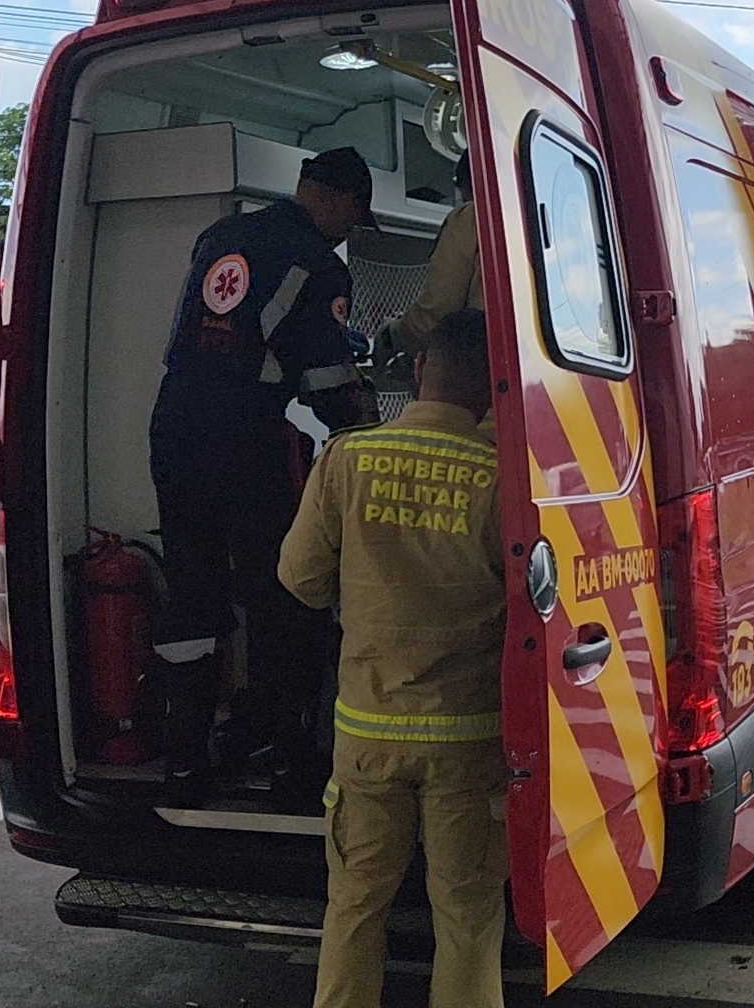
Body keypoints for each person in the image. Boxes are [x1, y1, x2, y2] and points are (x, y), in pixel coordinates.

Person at [279, 310, 507, 1008]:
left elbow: (301, 580)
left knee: (354, 908)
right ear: (496, 392)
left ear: (417, 374)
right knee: (468, 919)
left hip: (368, 735)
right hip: (468, 742)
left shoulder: (347, 460)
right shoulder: (504, 480)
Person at [149, 147, 379, 800]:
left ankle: (185, 765)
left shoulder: (222, 234)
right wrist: (369, 433)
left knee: (191, 592)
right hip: (245, 438)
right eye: (354, 218)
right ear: (337, 200)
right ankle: (291, 763)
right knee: (285, 595)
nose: (347, 232)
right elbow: (327, 385)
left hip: (173, 423)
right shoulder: (320, 265)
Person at [371, 151, 481, 367]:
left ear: (466, 183)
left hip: (481, 376)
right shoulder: (540, 222)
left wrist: (392, 334)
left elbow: (437, 314)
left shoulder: (470, 218)